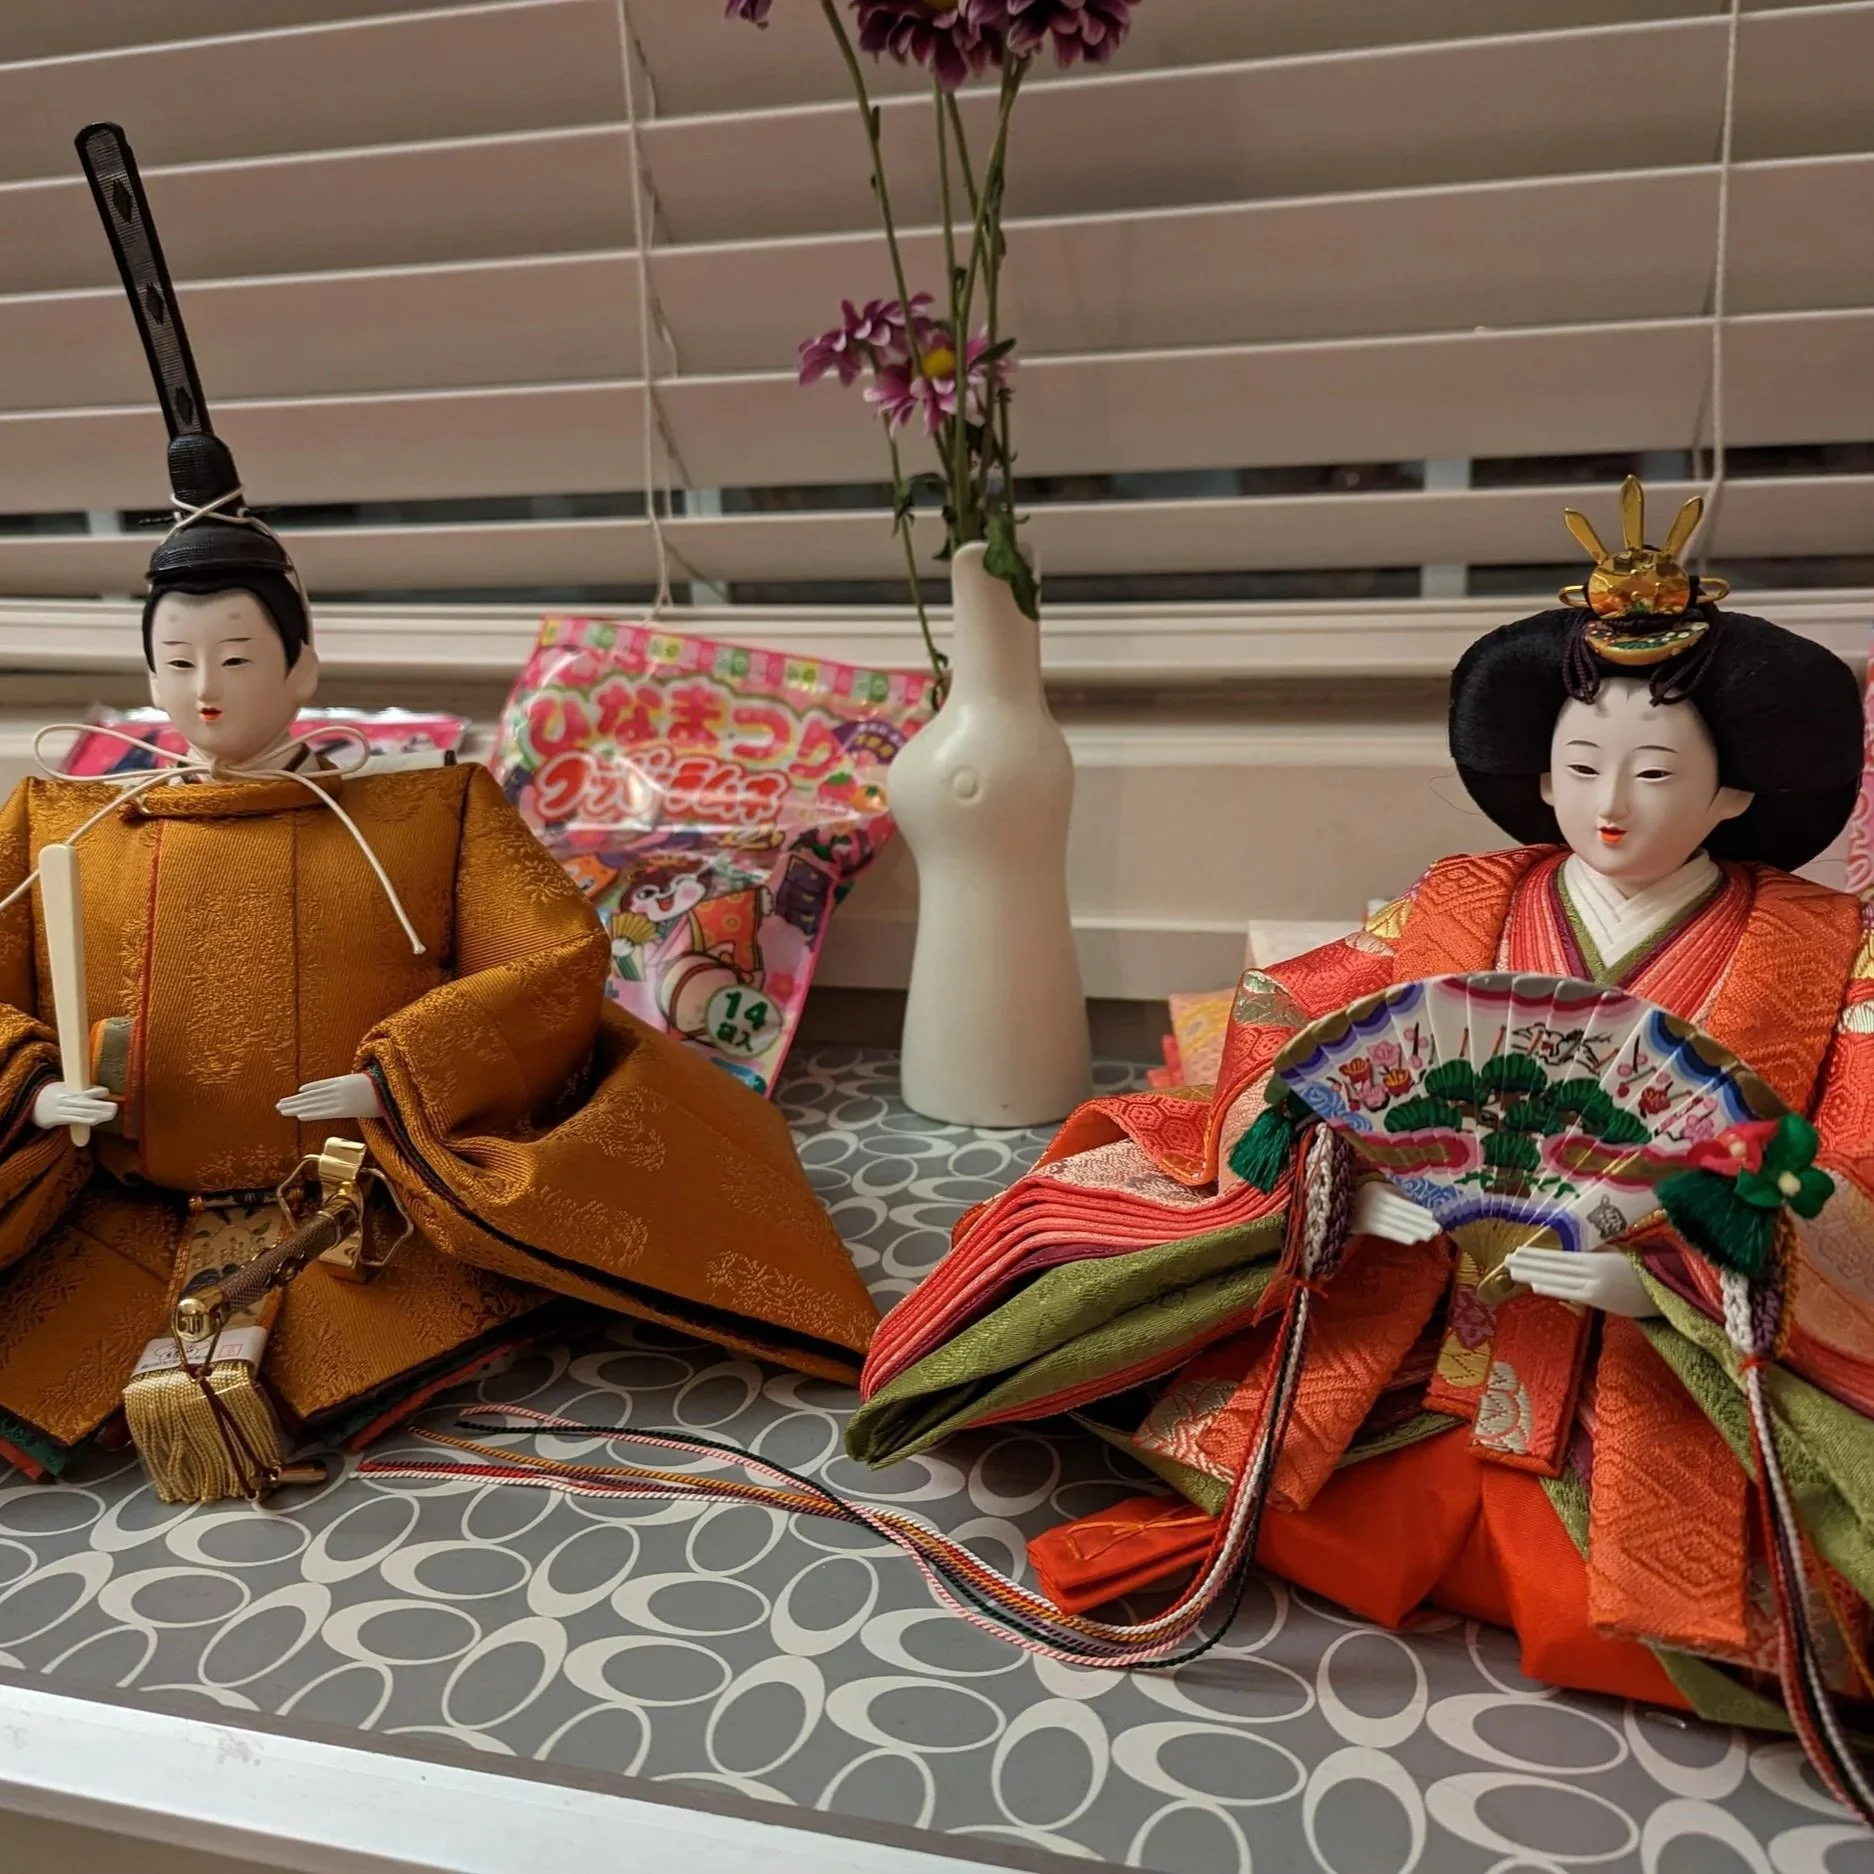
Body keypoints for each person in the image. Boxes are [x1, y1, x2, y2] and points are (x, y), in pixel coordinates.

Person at [847, 476, 1874, 1740]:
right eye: (1579, 764)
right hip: (1430, 1313)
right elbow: (1294, 1022)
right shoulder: (1460, 901)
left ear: (1733, 795)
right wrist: (1348, 1179)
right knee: (1300, 1470)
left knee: (1684, 1594)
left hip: (1647, 1359)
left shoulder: (1822, 950)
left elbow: (1845, 1156)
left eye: (1656, 770)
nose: (1610, 802)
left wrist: (1674, 1268)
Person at [0, 125, 874, 1491]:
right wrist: (29, 1088)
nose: (206, 689)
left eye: (237, 656)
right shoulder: (66, 827)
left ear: (303, 665)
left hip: (365, 1206)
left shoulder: (424, 813)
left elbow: (553, 957)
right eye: (176, 661)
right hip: (108, 1208)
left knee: (391, 1323)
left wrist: (400, 1076)